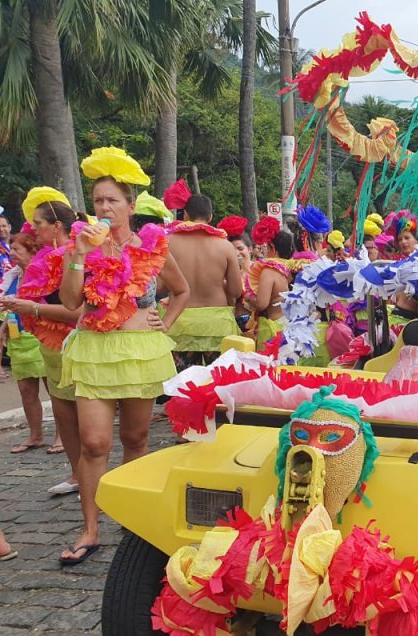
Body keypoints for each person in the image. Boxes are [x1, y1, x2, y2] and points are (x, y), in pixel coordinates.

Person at [58, 147, 190, 566]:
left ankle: (132, 521)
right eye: (98, 200)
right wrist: (78, 254)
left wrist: (164, 322)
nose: (104, 207)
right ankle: (91, 529)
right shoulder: (82, 248)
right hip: (95, 351)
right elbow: (70, 301)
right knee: (94, 443)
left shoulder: (151, 247)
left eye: (113, 199)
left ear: (131, 206)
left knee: (135, 439)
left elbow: (182, 290)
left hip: (140, 352)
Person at [5, 192, 85, 496]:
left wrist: (31, 308)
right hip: (50, 349)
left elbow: (77, 312)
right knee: (64, 418)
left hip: (73, 346)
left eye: (38, 223)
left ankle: (88, 476)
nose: (33, 228)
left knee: (84, 421)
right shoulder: (42, 257)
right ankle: (77, 474)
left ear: (57, 226)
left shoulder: (74, 256)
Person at [166, 194, 242, 368]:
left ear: (185, 214)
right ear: (210, 217)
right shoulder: (224, 246)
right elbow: (236, 291)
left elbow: (161, 286)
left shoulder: (168, 243)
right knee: (217, 384)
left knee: (182, 385)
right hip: (217, 324)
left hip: (180, 321)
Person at [0, 232, 48, 453]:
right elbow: (11, 307)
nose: (13, 254)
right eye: (12, 249)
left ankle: (60, 436)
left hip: (40, 336)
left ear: (31, 251)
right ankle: (35, 435)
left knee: (53, 389)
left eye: (18, 249)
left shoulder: (41, 274)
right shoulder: (14, 276)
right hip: (18, 337)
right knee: (26, 391)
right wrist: (1, 330)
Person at [248, 218, 294, 351]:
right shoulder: (290, 270)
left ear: (273, 248)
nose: (264, 251)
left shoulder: (269, 271)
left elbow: (262, 303)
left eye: (266, 247)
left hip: (272, 329)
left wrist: (249, 299)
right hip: (288, 326)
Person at [0, 208, 14, 381]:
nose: (1, 229)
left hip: (14, 294)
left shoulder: (14, 244)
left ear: (9, 227)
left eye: (3, 226)